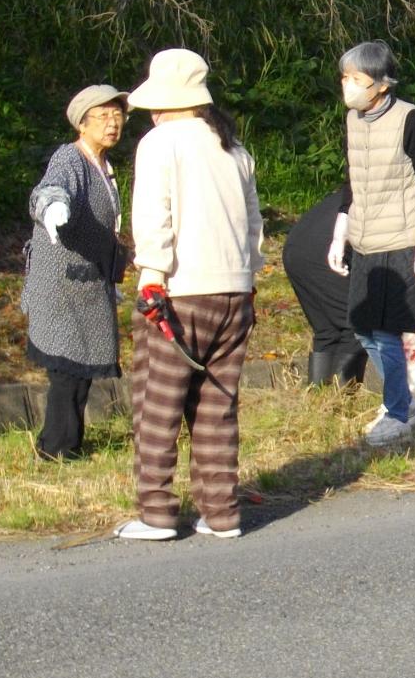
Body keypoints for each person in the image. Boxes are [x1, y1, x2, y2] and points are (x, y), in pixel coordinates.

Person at [119, 49, 264, 541]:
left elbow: (153, 215)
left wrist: (152, 275)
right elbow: (253, 225)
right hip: (235, 292)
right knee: (216, 407)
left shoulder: (160, 143)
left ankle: (157, 513)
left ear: (164, 102)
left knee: (157, 405)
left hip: (179, 292)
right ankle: (222, 513)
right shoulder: (233, 147)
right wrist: (248, 276)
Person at [327, 42, 415, 448]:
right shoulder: (353, 120)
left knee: (388, 330)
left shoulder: (410, 119)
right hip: (365, 236)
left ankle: (398, 412)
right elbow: (352, 177)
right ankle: (406, 402)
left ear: (379, 85)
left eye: (356, 79)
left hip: (401, 237)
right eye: (345, 77)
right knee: (363, 329)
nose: (348, 86)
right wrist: (340, 231)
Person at [21, 83, 130, 460]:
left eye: (118, 115)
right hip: (61, 284)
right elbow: (50, 189)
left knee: (81, 368)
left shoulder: (103, 165)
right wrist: (53, 207)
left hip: (88, 284)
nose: (113, 123)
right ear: (82, 125)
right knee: (67, 368)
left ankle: (68, 443)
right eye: (103, 116)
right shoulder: (69, 158)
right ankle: (55, 448)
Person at [280, 187, 367, 387]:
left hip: (296, 248)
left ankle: (319, 398)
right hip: (325, 252)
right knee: (356, 324)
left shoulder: (361, 183)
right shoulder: (399, 200)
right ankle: (341, 402)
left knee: (327, 329)